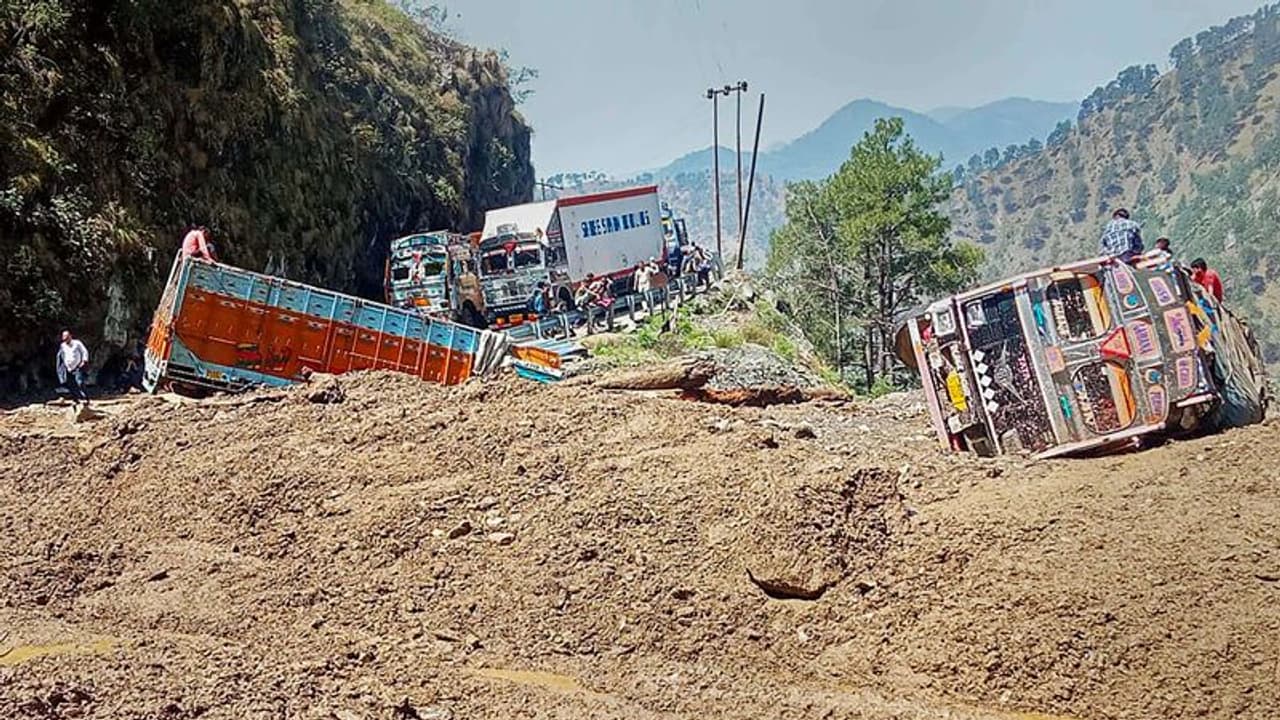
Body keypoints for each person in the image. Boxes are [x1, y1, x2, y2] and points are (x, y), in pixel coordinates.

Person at [56, 330, 90, 405]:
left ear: (70, 336)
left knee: (79, 382)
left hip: (78, 366)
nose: (65, 339)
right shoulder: (62, 345)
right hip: (68, 368)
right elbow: (60, 356)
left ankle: (85, 398)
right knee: (70, 384)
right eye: (64, 337)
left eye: (67, 337)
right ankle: (76, 399)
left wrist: (84, 361)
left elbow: (84, 351)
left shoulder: (77, 343)